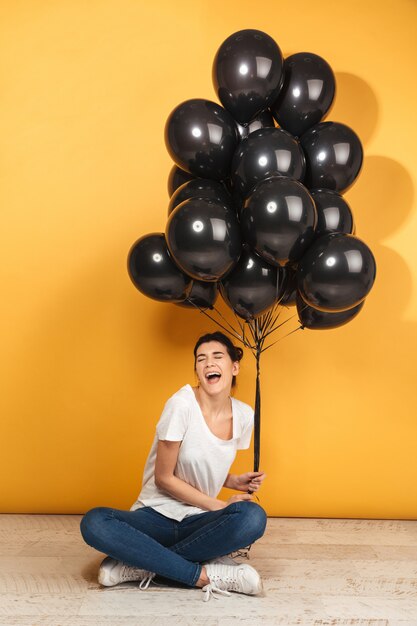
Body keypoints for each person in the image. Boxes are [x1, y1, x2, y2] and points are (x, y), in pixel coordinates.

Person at [80, 331, 268, 601]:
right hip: (154, 517)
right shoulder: (181, 405)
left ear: (234, 367)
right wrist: (219, 505)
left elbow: (201, 459)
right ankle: (204, 575)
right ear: (197, 371)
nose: (209, 363)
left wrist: (233, 480)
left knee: (253, 517)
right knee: (94, 522)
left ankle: (140, 565)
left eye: (217, 356)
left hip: (198, 521)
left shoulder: (244, 415)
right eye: (201, 359)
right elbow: (164, 478)